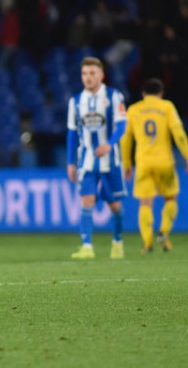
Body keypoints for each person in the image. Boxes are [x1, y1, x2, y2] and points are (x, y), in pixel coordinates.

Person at [120, 78, 188, 253]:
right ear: (161, 93)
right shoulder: (167, 107)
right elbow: (179, 133)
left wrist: (126, 163)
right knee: (171, 198)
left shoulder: (133, 110)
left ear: (143, 94)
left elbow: (125, 139)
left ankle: (147, 243)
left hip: (144, 163)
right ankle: (164, 232)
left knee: (145, 203)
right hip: (165, 162)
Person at [66, 57, 127, 260]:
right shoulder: (75, 101)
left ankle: (117, 242)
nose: (88, 78)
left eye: (92, 73)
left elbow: (121, 126)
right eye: (84, 74)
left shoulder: (114, 96)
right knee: (87, 200)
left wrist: (109, 143)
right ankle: (87, 247)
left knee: (115, 206)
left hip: (111, 161)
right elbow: (72, 134)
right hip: (86, 161)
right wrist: (70, 162)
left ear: (101, 75)